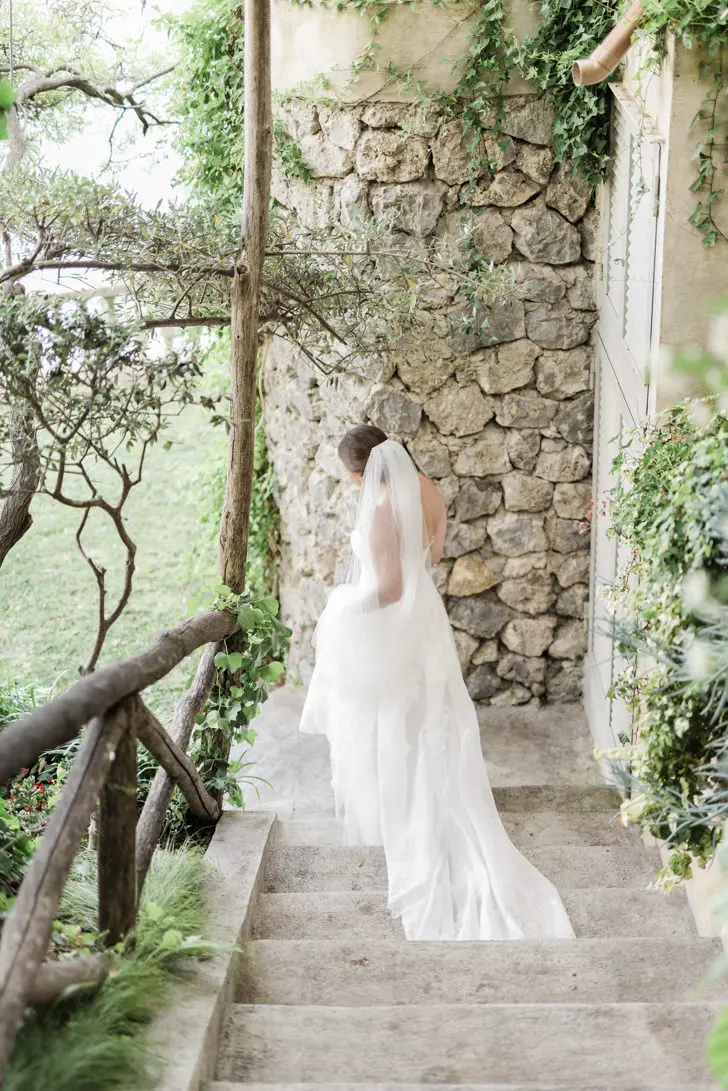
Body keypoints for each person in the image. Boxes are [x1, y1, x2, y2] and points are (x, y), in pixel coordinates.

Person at [300, 425, 575, 942]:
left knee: (399, 723)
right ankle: (435, 800)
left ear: (366, 470)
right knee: (431, 720)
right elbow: (435, 556)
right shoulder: (425, 487)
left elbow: (389, 587)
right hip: (425, 620)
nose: (355, 486)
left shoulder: (382, 507)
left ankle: (417, 820)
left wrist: (341, 608)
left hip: (394, 625)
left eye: (353, 477)